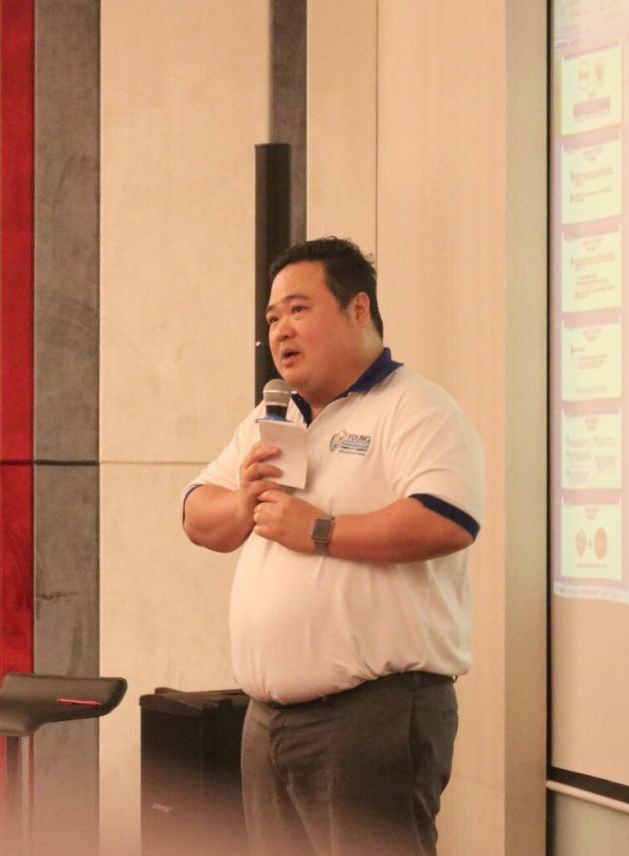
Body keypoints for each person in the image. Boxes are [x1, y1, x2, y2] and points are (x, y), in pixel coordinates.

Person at [182, 237, 484, 856]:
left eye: (298, 309)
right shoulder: (273, 418)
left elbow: (445, 520)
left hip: (371, 716)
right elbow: (196, 515)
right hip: (266, 722)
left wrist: (320, 531)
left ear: (357, 308)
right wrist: (242, 504)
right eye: (272, 318)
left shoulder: (417, 409)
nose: (280, 331)